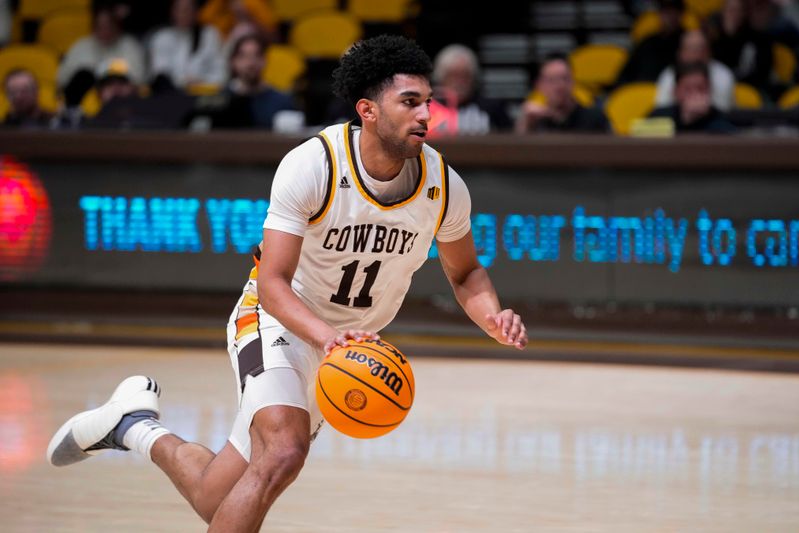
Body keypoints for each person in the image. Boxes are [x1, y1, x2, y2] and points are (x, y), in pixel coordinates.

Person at [46, 35, 528, 532]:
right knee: (283, 452)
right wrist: (325, 338)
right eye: (409, 102)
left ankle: (133, 427)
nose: (426, 114)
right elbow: (273, 282)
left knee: (219, 497)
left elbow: (466, 271)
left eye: (427, 102)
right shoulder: (313, 165)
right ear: (367, 110)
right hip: (277, 317)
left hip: (347, 345)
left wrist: (490, 315)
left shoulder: (444, 186)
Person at [213, 34, 300, 129]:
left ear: (264, 60)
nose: (251, 63)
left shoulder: (282, 101)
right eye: (243, 56)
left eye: (256, 56)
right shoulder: (219, 101)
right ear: (233, 62)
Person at [57, 3, 146, 90]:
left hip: (124, 100)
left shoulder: (130, 45)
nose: (105, 32)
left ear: (117, 26)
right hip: (86, 101)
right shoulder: (81, 46)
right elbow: (63, 79)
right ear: (93, 27)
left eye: (109, 26)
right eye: (100, 27)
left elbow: (140, 80)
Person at [515, 54, 609, 133]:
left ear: (573, 82)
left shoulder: (595, 118)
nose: (560, 86)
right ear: (539, 85)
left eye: (565, 78)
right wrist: (525, 123)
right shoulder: (534, 120)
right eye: (552, 80)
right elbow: (517, 152)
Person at [430, 44, 512, 134]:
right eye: (453, 76)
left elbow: (512, 140)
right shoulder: (427, 109)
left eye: (465, 75)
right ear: (441, 78)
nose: (459, 82)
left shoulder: (493, 108)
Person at [148, 0, 227, 90]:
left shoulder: (209, 35)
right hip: (172, 95)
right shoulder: (161, 38)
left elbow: (221, 72)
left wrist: (202, 81)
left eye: (188, 9)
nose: (183, 14)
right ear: (172, 11)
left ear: (196, 12)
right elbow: (160, 73)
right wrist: (183, 82)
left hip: (204, 92)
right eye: (180, 9)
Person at [655, 29, 736, 111]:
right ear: (680, 53)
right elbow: (662, 111)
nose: (697, 55)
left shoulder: (723, 75)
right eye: (691, 49)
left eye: (701, 49)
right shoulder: (668, 75)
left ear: (709, 52)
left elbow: (723, 112)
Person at [704, 0, 774, 92]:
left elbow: (761, 72)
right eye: (730, 10)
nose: (734, 14)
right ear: (723, 11)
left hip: (746, 88)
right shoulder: (711, 34)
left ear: (744, 14)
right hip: (716, 84)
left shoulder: (757, 39)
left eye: (738, 10)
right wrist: (727, 35)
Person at [649, 61, 737, 133]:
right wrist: (685, 120)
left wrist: (700, 118)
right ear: (675, 91)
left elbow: (732, 138)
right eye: (688, 89)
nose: (695, 94)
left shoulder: (719, 117)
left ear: (710, 89)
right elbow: (641, 134)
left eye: (700, 88)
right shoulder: (660, 115)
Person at [616, 0, 685, 85]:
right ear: (659, 14)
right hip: (641, 91)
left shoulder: (688, 43)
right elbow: (625, 74)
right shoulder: (647, 43)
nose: (670, 17)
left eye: (673, 12)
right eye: (665, 12)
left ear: (681, 14)